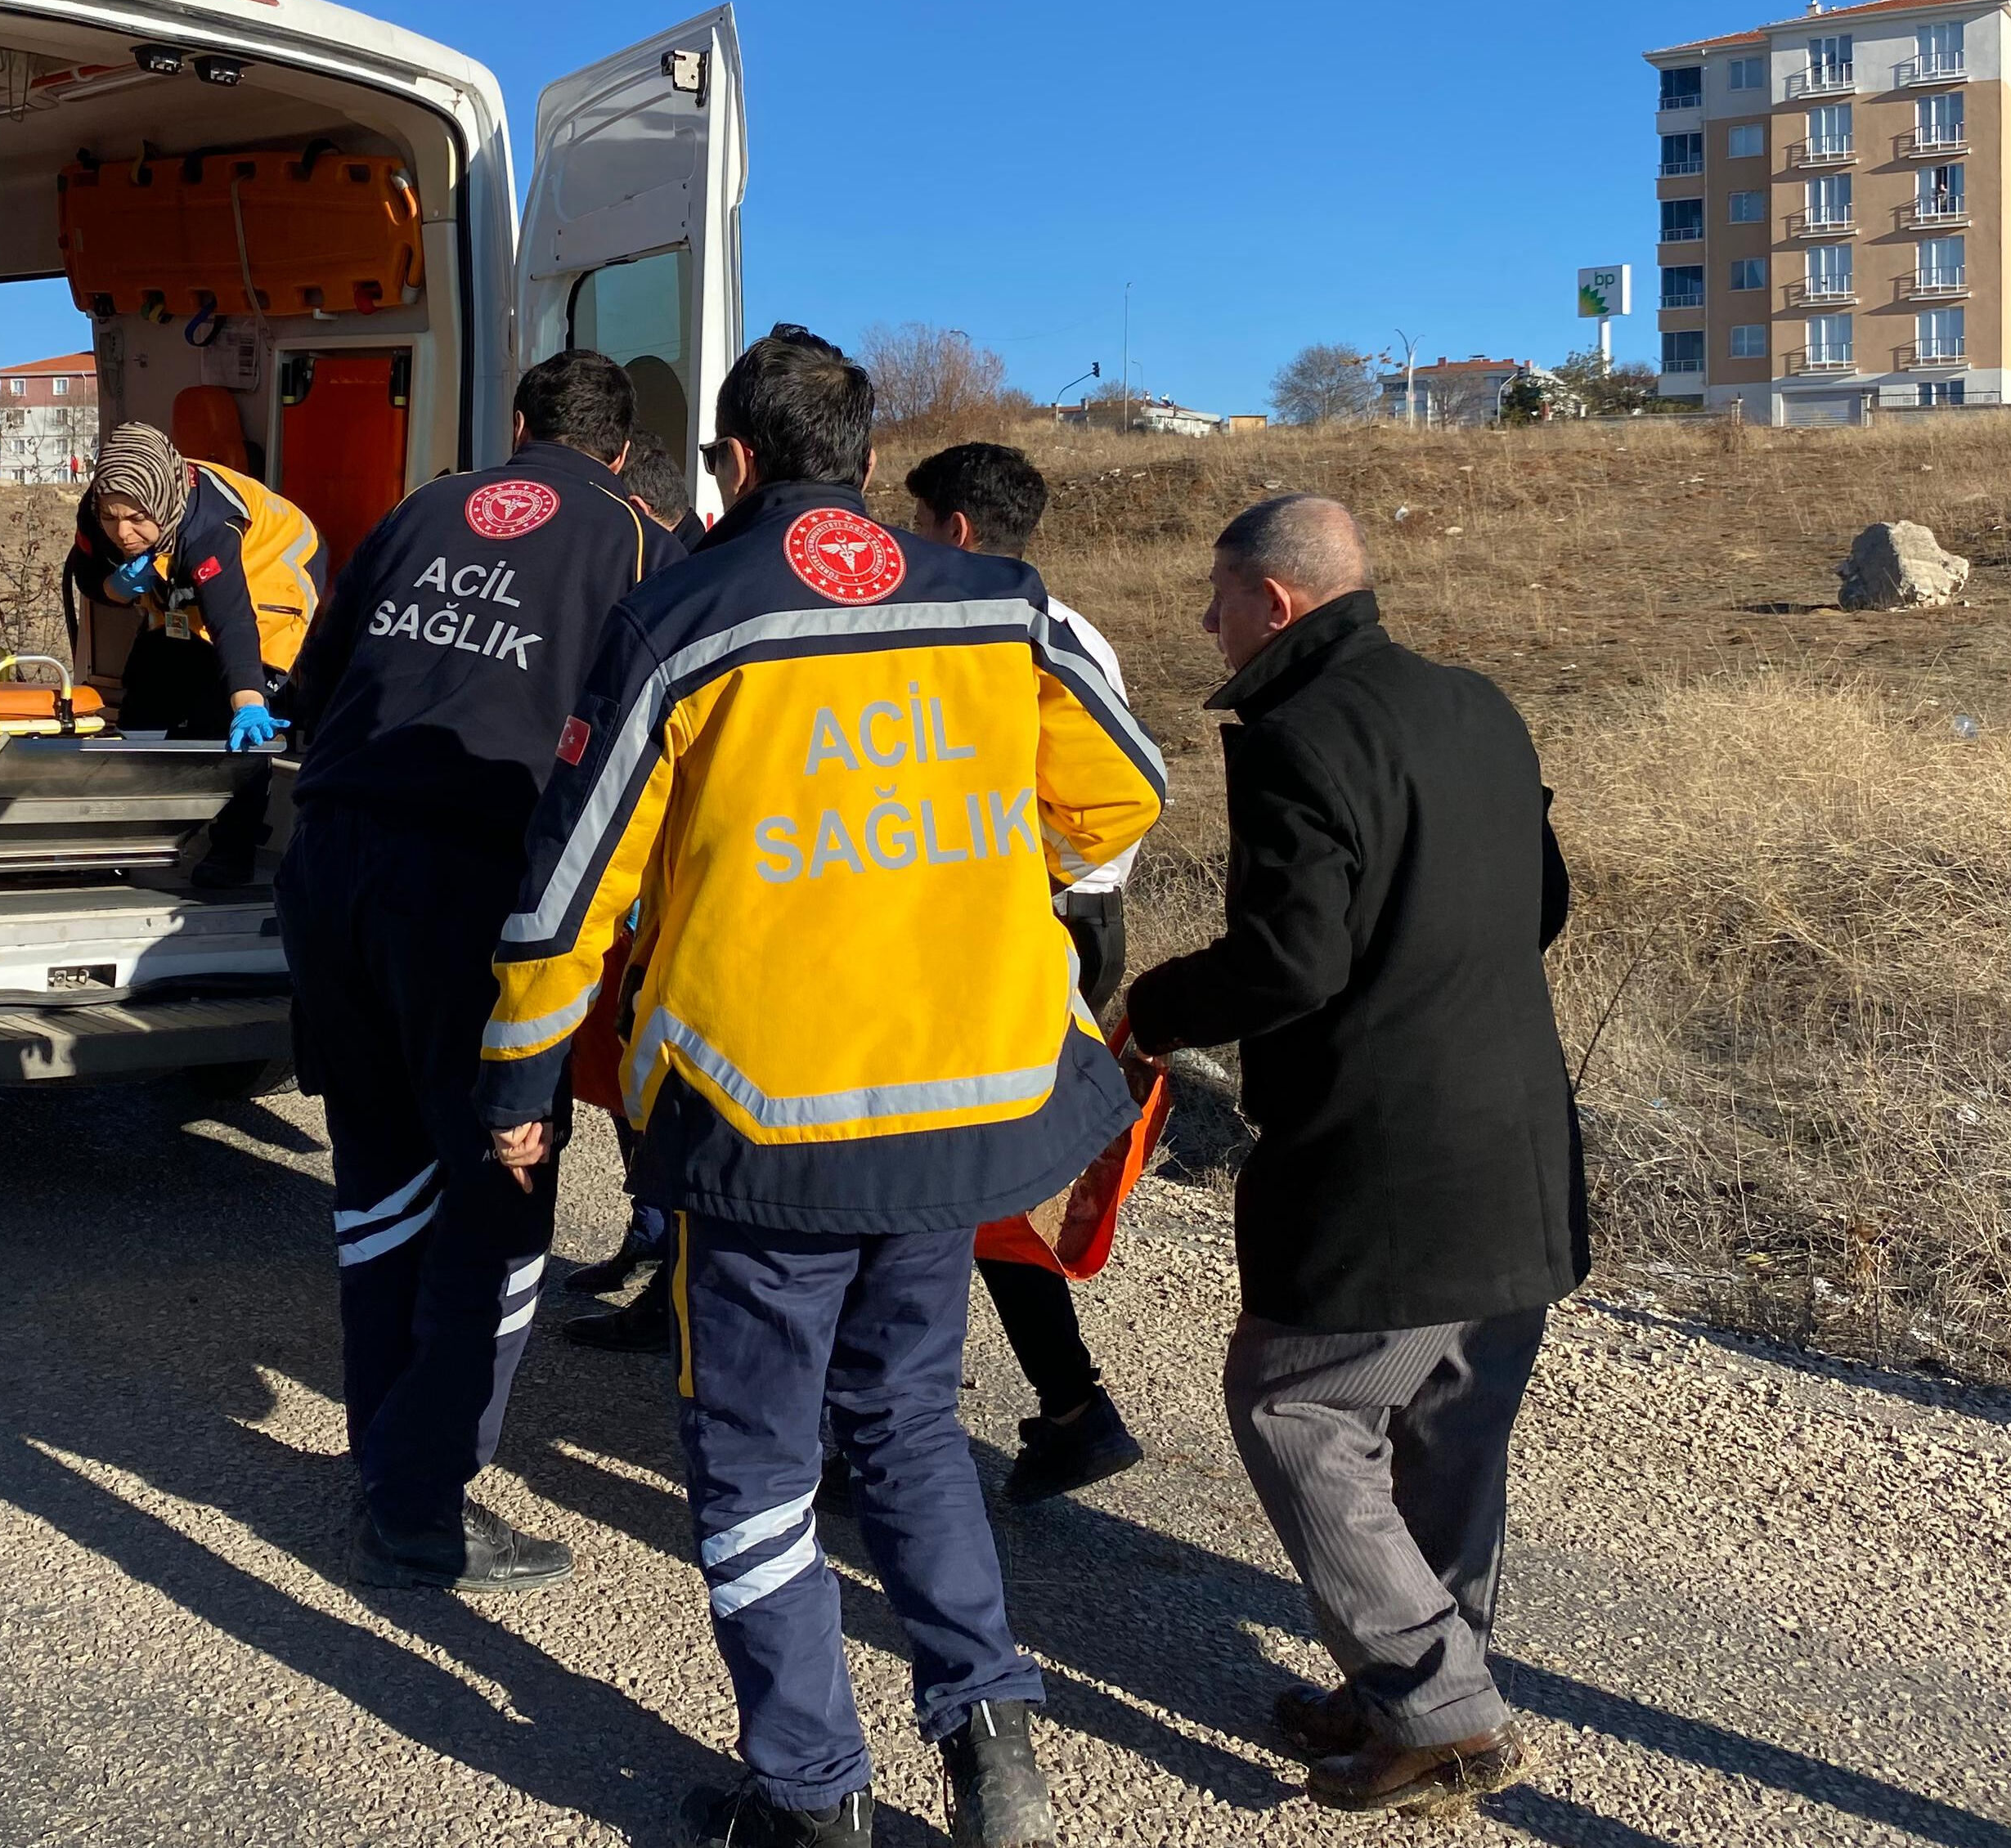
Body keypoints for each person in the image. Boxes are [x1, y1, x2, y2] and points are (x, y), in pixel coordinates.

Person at [478, 325, 1165, 1848]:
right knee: (910, 1421)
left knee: (750, 1454)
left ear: (732, 462)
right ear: (864, 458)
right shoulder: (997, 598)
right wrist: (960, 867)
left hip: (766, 1116)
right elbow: (1124, 786)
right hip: (949, 1100)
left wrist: (522, 1067)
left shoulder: (686, 608)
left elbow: (568, 878)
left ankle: (807, 1792)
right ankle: (990, 1742)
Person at [1120, 493, 1584, 1817]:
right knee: (1450, 1430)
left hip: (1390, 1158)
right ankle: (1411, 1682)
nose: (1205, 624)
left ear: (1275, 600)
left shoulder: (1294, 735)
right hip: (1522, 1144)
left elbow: (1292, 958)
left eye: (1216, 597)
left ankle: (1439, 1706)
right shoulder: (1479, 703)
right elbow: (1542, 900)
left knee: (1295, 1399)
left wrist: (1148, 1010)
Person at [274, 348, 676, 1595]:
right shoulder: (642, 544)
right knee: (503, 1187)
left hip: (334, 864)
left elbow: (316, 687)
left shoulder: (422, 508)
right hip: (478, 892)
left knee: (380, 1174)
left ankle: (384, 1451)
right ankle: (420, 1498)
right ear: (618, 448)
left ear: (518, 427)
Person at [898, 442, 1143, 1505]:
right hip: (1081, 914)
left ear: (953, 529)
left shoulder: (982, 630)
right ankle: (1069, 1404)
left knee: (941, 1168)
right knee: (988, 1170)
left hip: (1028, 914)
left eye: (914, 520)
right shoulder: (1065, 628)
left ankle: (898, 1419)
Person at [62, 422, 321, 885]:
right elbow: (84, 577)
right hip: (182, 590)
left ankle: (233, 851)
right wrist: (114, 587)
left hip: (265, 581)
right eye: (112, 517)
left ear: (160, 502)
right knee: (145, 705)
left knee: (224, 726)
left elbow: (232, 620)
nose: (122, 533)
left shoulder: (209, 527)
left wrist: (249, 697)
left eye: (137, 518)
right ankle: (137, 839)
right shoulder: (100, 507)